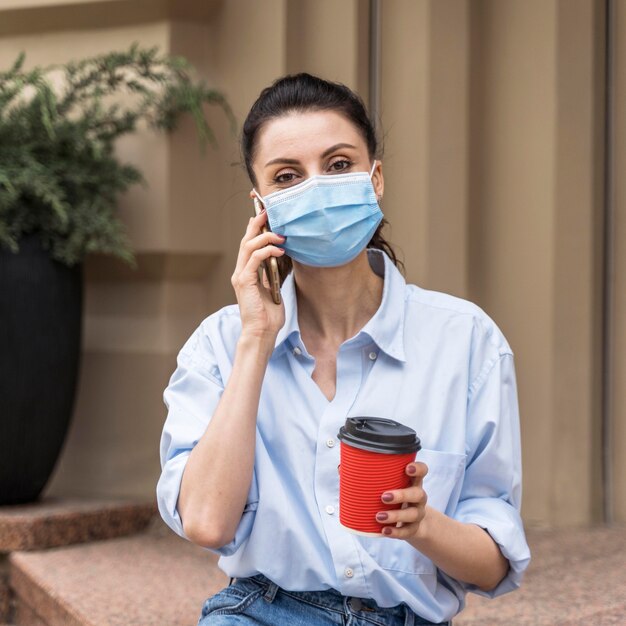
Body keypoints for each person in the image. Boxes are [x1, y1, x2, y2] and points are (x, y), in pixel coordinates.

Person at [157, 73, 531, 626]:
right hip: (259, 612)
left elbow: (495, 566)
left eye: (337, 165)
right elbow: (208, 523)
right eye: (288, 176)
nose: (318, 187)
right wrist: (257, 339)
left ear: (375, 178)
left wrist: (423, 524)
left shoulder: (467, 341)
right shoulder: (219, 344)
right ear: (261, 207)